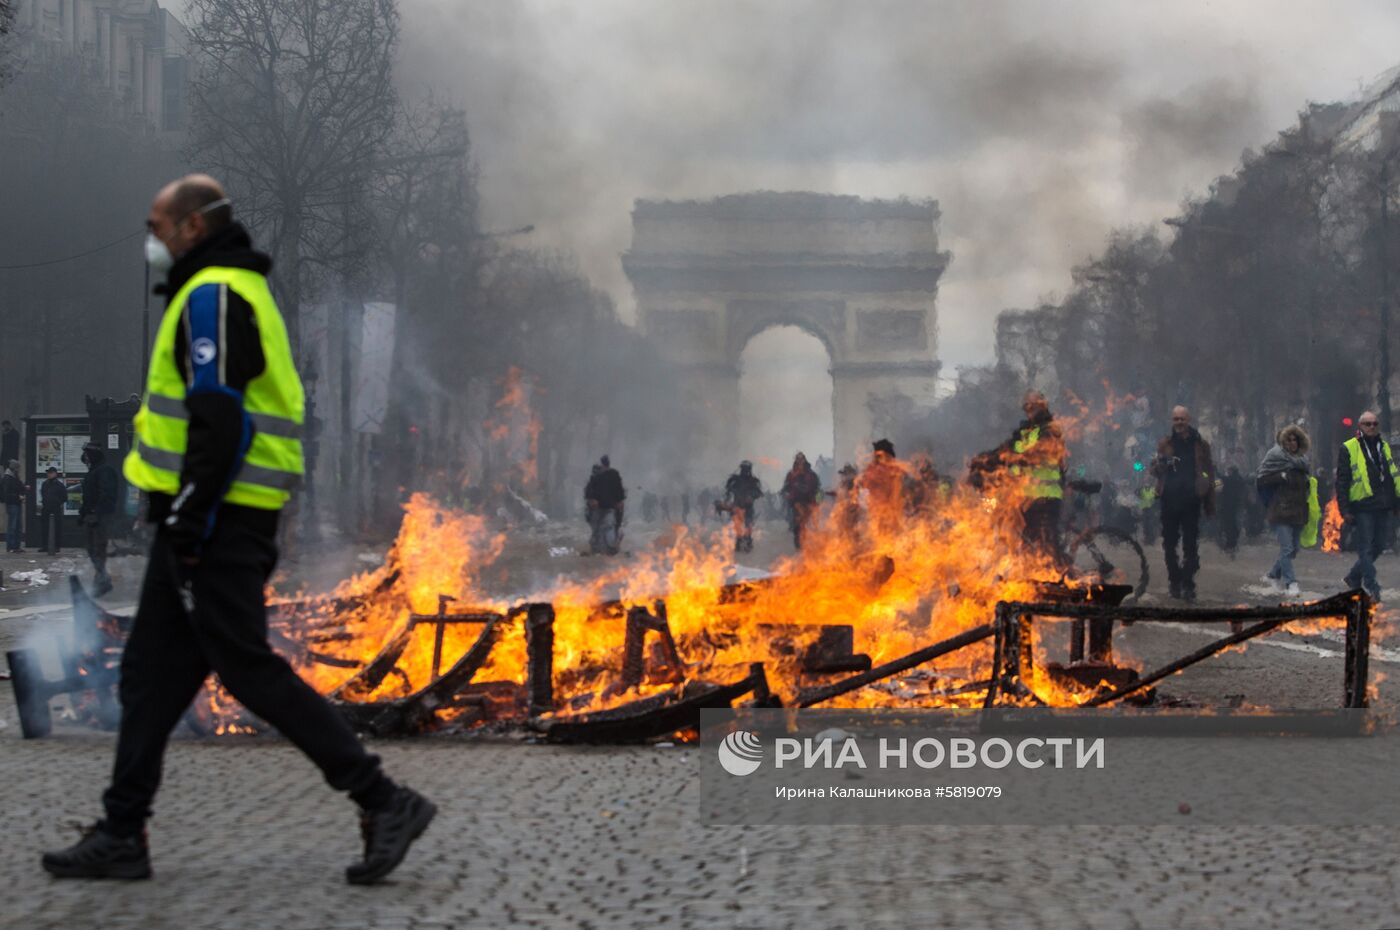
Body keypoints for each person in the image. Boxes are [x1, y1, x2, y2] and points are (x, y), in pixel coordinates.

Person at [41, 175, 434, 885]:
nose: (151, 242)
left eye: (158, 227)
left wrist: (190, 519)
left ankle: (384, 798)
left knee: (248, 668)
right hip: (209, 518)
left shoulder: (214, 295)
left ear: (194, 226)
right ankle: (123, 831)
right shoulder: (224, 292)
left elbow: (219, 419)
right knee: (147, 681)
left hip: (217, 522)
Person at [972, 391, 1067, 566]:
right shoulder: (1024, 432)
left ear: (1043, 405)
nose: (1029, 409)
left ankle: (1065, 576)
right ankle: (1034, 582)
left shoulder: (1050, 430)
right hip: (1025, 498)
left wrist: (1015, 458)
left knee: (1047, 546)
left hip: (1045, 497)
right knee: (1026, 545)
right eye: (1026, 406)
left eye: (1033, 405)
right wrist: (984, 460)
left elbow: (1038, 452)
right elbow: (1005, 449)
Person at [1151, 406, 1216, 601]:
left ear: (1189, 420)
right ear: (1172, 421)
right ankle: (1174, 581)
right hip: (1169, 499)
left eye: (1182, 419)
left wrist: (1208, 499)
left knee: (1191, 546)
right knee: (1169, 545)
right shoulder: (1165, 443)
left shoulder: (1201, 444)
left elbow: (1209, 471)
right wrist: (1160, 465)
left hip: (1191, 500)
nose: (1179, 423)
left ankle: (1188, 583)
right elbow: (1153, 470)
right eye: (1175, 419)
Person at [1336, 411, 1397, 601]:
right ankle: (1372, 587)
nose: (1372, 427)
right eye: (1367, 424)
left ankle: (1354, 576)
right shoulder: (1348, 448)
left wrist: (1396, 501)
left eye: (1375, 424)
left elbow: (1391, 475)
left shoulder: (1384, 447)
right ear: (1360, 426)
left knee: (1379, 545)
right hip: (1362, 506)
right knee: (1366, 548)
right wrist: (1344, 509)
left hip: (1383, 505)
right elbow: (1342, 481)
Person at [1256, 425, 1311, 597]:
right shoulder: (1275, 459)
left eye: (1295, 439)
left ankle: (1272, 575)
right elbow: (1261, 480)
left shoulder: (1303, 462)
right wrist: (1280, 477)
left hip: (1298, 511)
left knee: (1294, 549)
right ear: (1283, 442)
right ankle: (1290, 583)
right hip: (1280, 511)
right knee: (1287, 548)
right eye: (1289, 439)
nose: (1292, 443)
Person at [78, 441, 119, 596]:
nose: (85, 458)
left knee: (98, 549)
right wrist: (83, 513)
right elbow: (88, 497)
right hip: (92, 516)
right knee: (91, 549)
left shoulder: (104, 470)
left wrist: (97, 512)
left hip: (101, 517)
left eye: (88, 454)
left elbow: (107, 494)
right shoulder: (93, 471)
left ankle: (101, 581)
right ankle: (102, 578)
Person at [780, 452, 822, 549]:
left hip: (809, 502)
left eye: (801, 460)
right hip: (797, 503)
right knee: (798, 522)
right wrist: (786, 494)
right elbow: (786, 487)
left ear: (804, 461)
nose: (800, 462)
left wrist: (818, 501)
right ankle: (799, 541)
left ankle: (807, 541)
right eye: (798, 460)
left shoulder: (811, 475)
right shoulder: (791, 475)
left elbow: (817, 489)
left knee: (807, 522)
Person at [585, 455, 626, 554]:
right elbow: (589, 491)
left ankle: (612, 545)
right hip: (598, 509)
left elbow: (619, 490)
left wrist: (619, 501)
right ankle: (597, 549)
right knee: (597, 529)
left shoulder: (613, 475)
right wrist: (592, 500)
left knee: (608, 527)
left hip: (608, 508)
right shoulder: (596, 477)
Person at [722, 460, 764, 552]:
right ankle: (739, 540)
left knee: (748, 524)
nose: (745, 471)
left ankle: (748, 540)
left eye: (746, 469)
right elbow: (728, 490)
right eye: (743, 469)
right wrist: (728, 498)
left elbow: (758, 493)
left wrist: (751, 496)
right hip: (737, 505)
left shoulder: (753, 481)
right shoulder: (735, 480)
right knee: (738, 525)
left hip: (748, 506)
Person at [1217, 464, 1247, 559]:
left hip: (1229, 508)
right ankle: (1232, 546)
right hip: (1237, 507)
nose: (1228, 472)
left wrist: (1214, 469)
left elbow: (1221, 478)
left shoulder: (1230, 480)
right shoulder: (1240, 480)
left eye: (1229, 471)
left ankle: (1230, 547)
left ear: (1232, 471)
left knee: (1228, 527)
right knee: (1234, 527)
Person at [39, 466, 66, 555]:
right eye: (48, 473)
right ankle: (45, 546)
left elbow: (64, 497)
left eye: (50, 473)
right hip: (46, 508)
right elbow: (43, 493)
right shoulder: (45, 484)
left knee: (57, 527)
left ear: (55, 474)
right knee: (44, 527)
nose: (48, 474)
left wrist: (57, 502)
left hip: (56, 508)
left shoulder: (59, 485)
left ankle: (57, 546)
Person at [1, 459, 27, 553]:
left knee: (18, 525)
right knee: (13, 525)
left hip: (17, 503)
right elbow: (5, 493)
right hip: (12, 504)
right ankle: (11, 546)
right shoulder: (7, 478)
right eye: (17, 468)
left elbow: (19, 487)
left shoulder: (14, 477)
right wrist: (18, 496)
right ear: (14, 468)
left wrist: (23, 489)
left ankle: (16, 546)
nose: (18, 470)